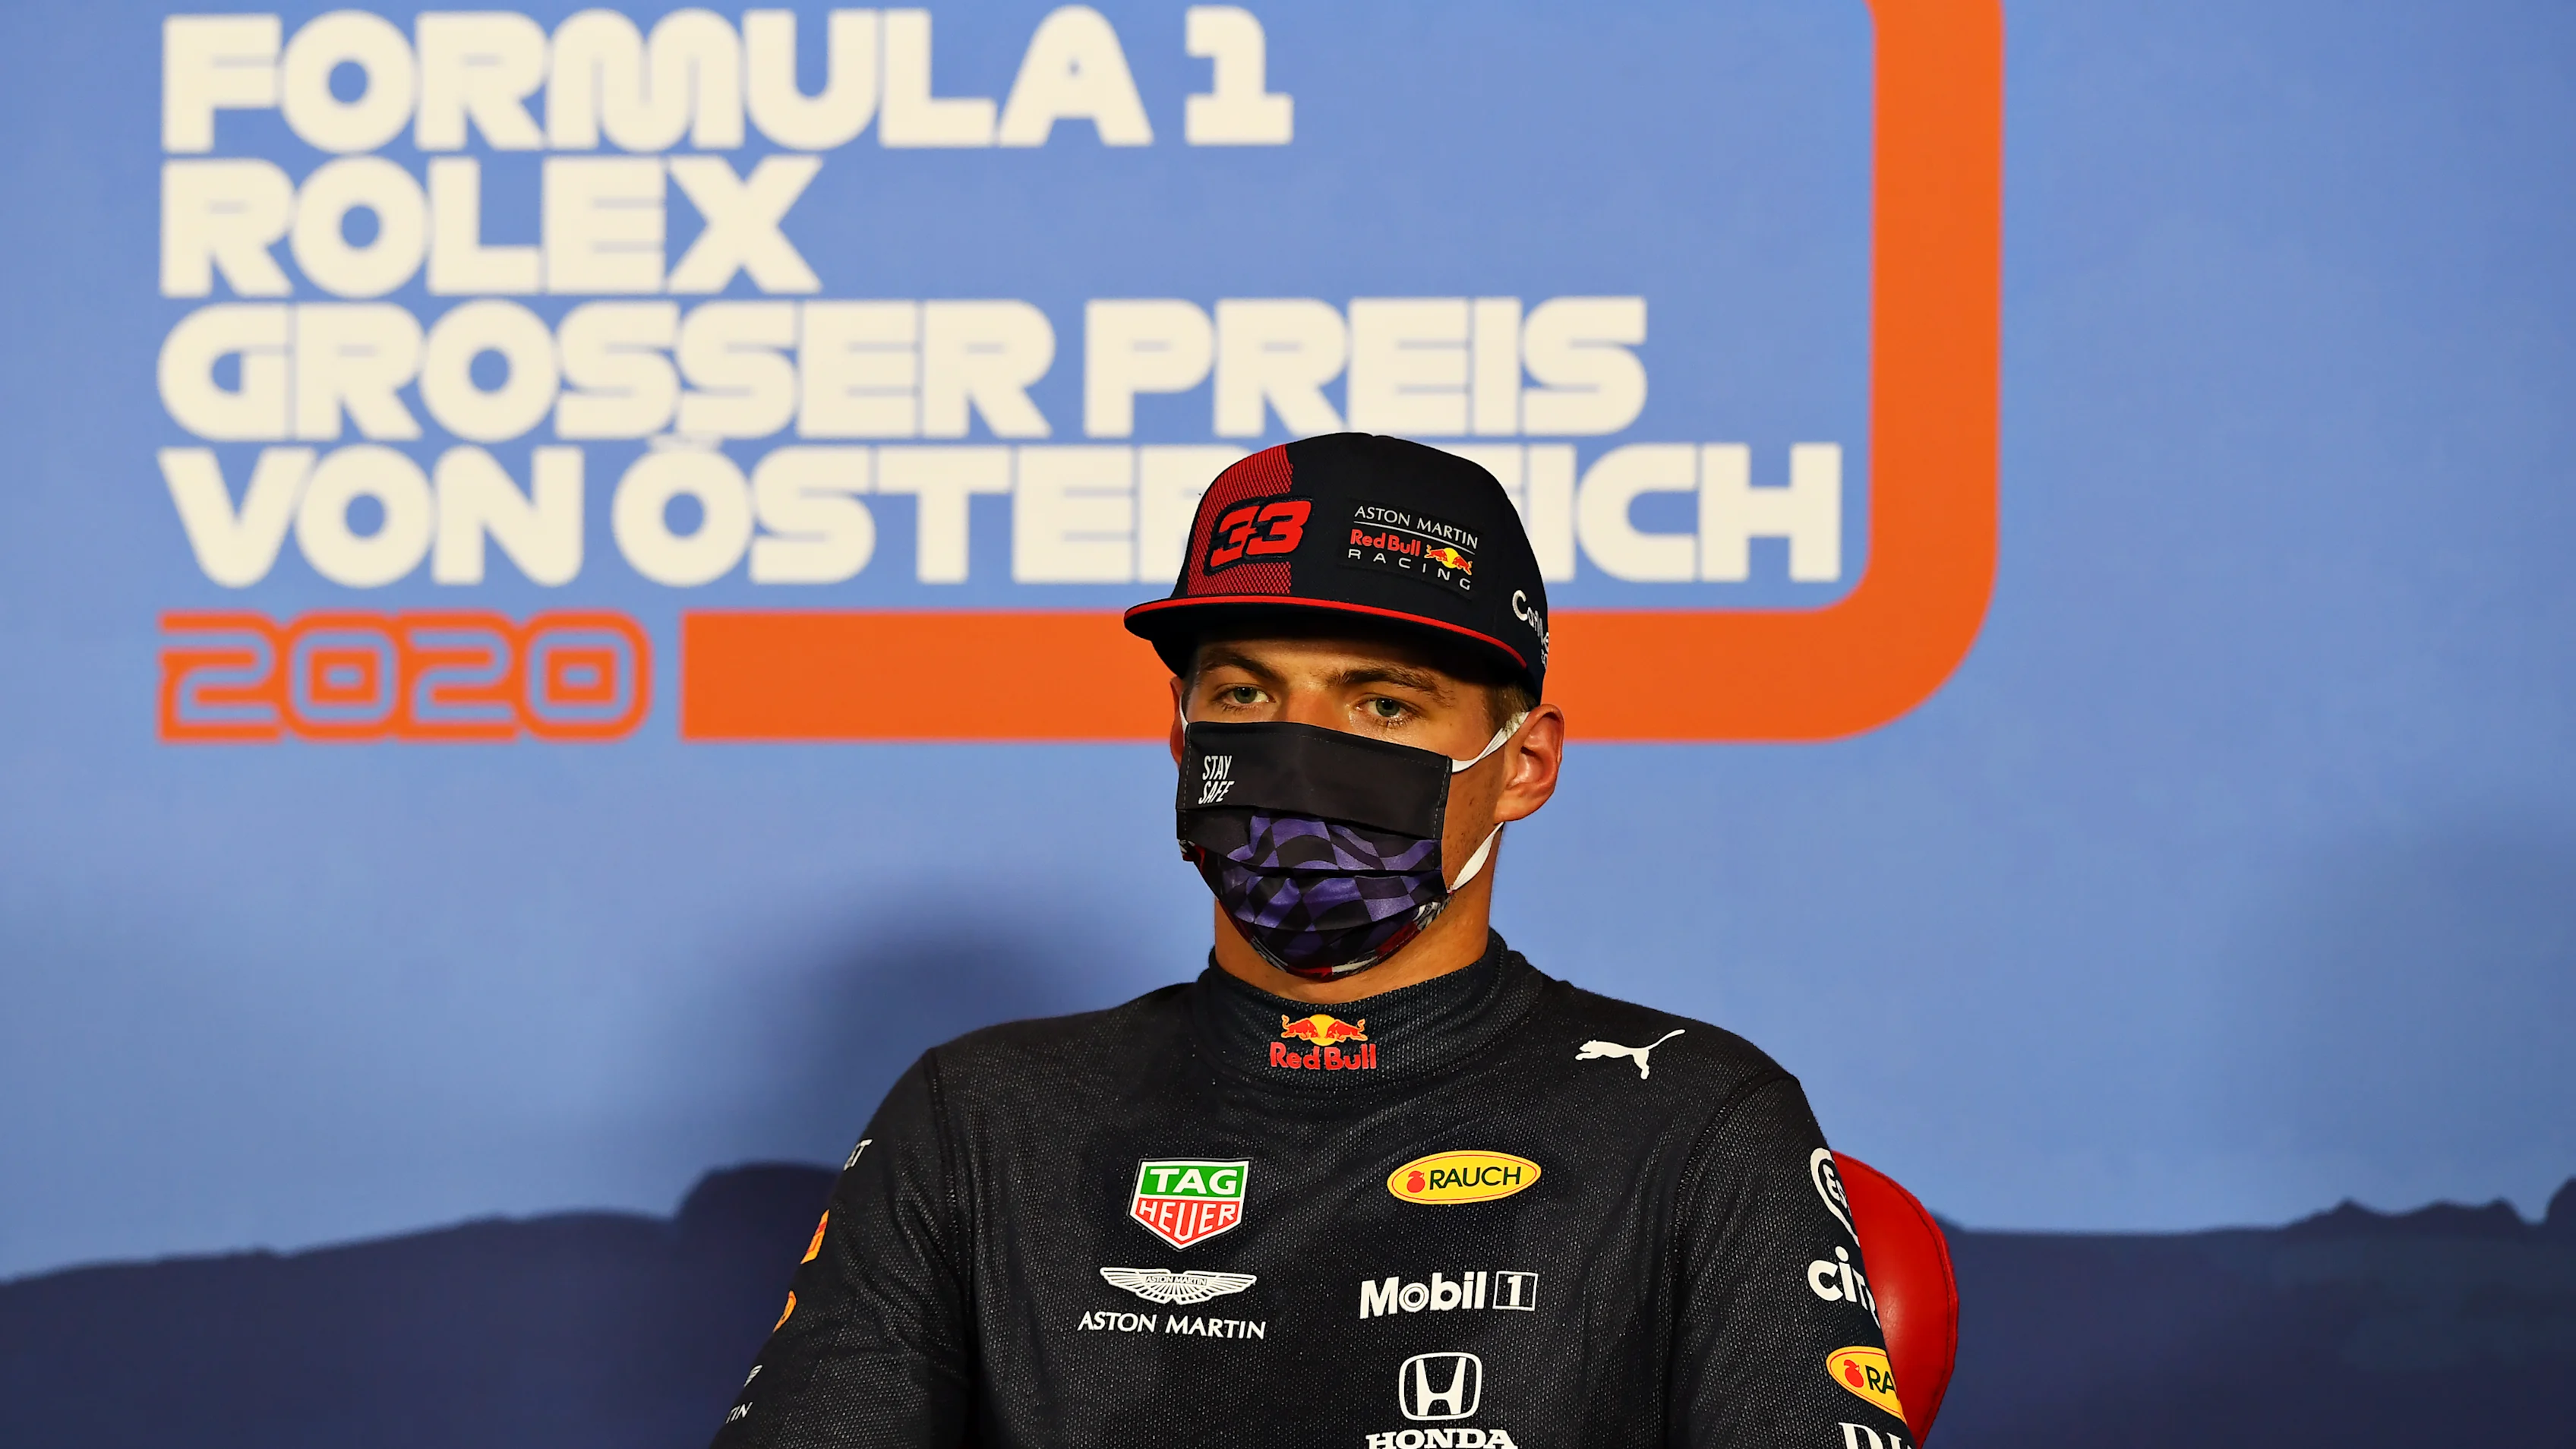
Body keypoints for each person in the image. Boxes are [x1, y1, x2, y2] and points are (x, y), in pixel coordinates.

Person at [709, 435, 1915, 1449]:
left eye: (1383, 704)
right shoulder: (980, 1117)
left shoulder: (1694, 1122)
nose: (1298, 751)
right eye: (1243, 696)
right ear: (1181, 744)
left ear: (1524, 768)